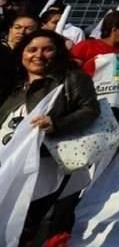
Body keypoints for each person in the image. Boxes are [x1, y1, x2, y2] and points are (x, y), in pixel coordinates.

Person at [0, 30, 99, 245]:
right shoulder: (15, 82)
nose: (39, 55)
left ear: (58, 52)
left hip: (47, 163)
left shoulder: (72, 78)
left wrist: (56, 125)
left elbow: (90, 110)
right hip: (9, 159)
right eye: (32, 49)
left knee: (32, 220)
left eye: (47, 49)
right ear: (22, 53)